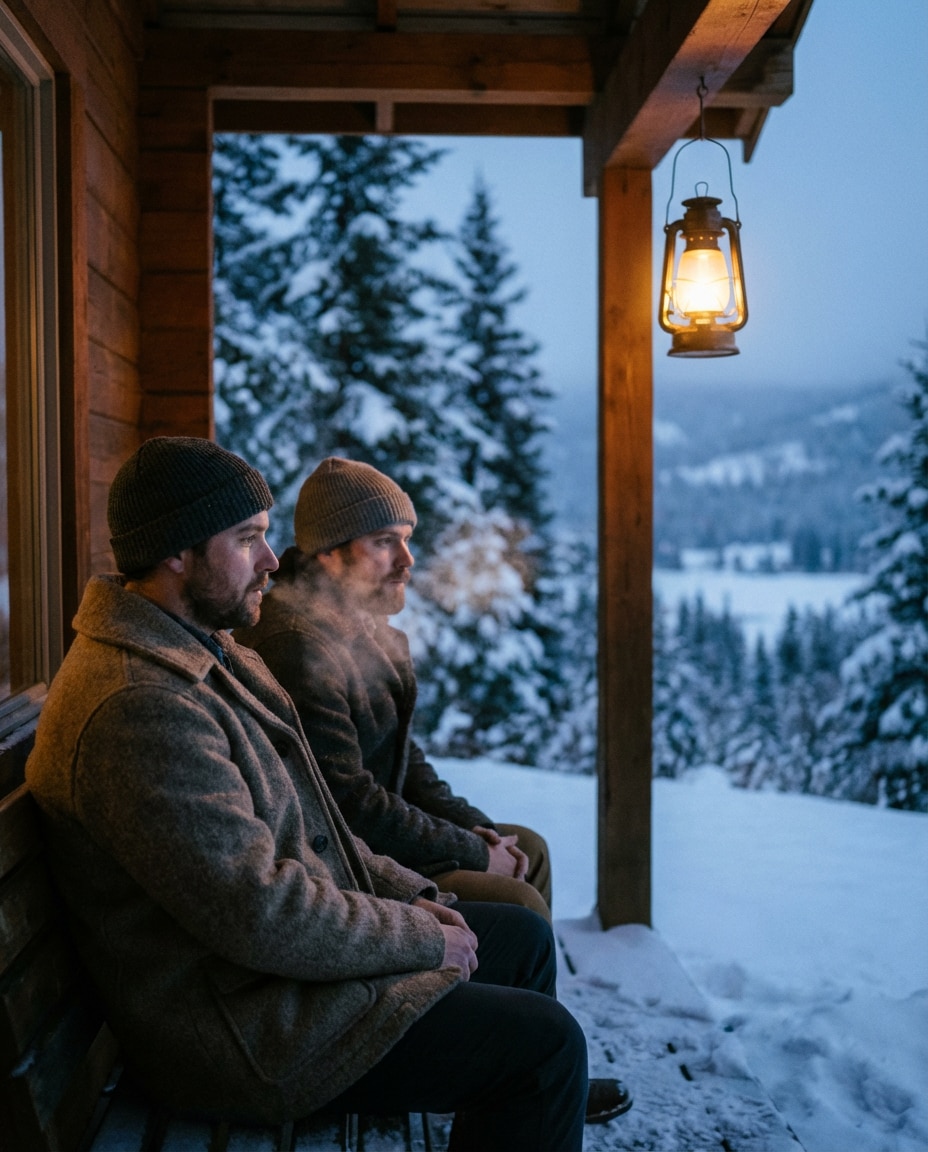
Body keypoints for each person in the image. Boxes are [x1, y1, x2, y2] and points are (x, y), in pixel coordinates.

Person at [25, 437, 631, 1149]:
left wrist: (419, 901)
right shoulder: (138, 707)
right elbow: (259, 911)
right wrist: (417, 936)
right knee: (544, 1047)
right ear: (176, 552)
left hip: (275, 983)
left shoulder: (204, 659)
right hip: (251, 1033)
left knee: (521, 938)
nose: (273, 560)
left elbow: (320, 826)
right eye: (248, 538)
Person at [234, 456, 552, 922]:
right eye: (385, 542)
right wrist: (476, 853)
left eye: (406, 540)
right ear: (328, 551)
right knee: (516, 901)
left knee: (528, 849)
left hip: (383, 836)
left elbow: (403, 755)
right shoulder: (297, 646)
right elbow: (348, 802)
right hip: (346, 859)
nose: (407, 561)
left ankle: (527, 991)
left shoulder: (366, 628)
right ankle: (475, 991)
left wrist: (476, 829)